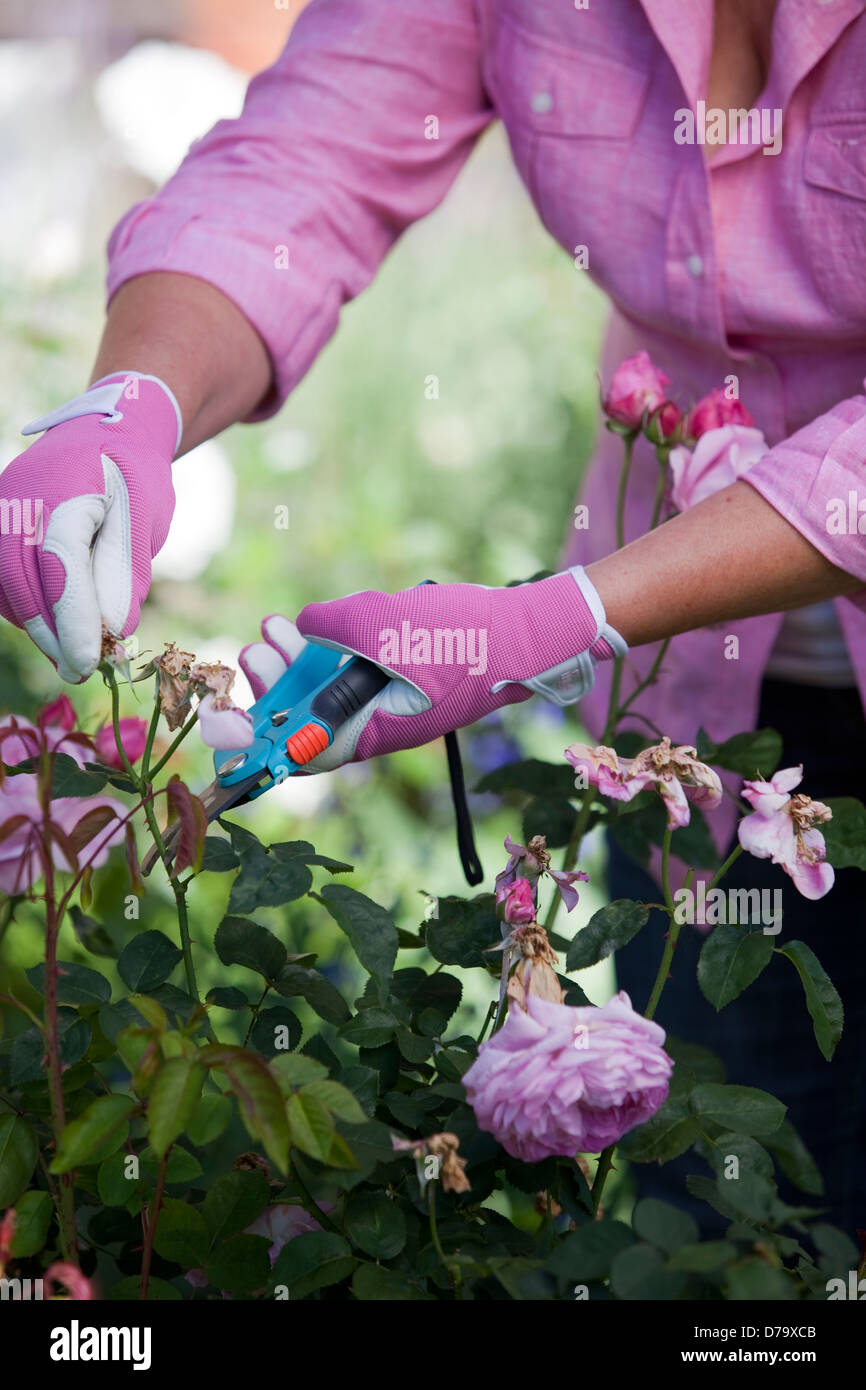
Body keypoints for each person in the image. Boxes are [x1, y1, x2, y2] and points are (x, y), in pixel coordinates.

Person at [1, 0, 865, 1232]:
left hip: (631, 613)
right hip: (697, 721)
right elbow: (306, 159)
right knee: (733, 1206)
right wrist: (131, 399)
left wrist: (551, 623)